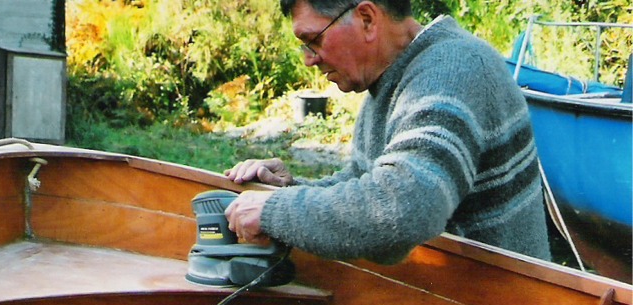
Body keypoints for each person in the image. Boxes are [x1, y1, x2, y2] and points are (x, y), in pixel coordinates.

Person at [224, 0, 551, 264]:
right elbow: (365, 182)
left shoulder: (454, 71)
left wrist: (275, 211)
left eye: (313, 40)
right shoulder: (394, 77)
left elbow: (402, 209)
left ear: (366, 18)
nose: (310, 59)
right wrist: (290, 189)